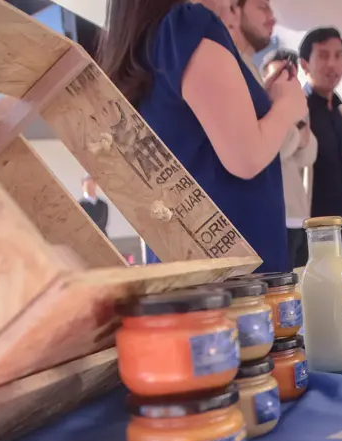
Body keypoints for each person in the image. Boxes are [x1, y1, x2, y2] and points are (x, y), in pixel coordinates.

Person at [98, 0, 307, 272]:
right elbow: (246, 157)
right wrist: (287, 107)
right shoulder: (188, 26)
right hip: (236, 269)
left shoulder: (147, 43)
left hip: (193, 264)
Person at [299, 27, 342, 262]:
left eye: (338, 56)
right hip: (313, 233)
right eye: (323, 56)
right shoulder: (298, 110)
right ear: (305, 64)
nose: (332, 64)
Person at [262, 49, 318, 268]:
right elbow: (276, 150)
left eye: (288, 75)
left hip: (299, 214)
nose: (282, 81)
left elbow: (308, 153)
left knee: (300, 285)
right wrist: (295, 133)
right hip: (276, 214)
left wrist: (294, 134)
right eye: (276, 75)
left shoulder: (299, 107)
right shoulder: (262, 106)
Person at [233, 0, 276, 80]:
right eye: (263, 7)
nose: (273, 20)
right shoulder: (225, 68)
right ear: (235, 11)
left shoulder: (249, 71)